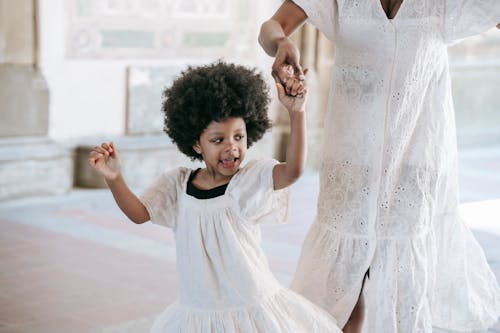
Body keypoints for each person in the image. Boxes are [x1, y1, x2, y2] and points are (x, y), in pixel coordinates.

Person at [259, 1, 500, 332]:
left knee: (405, 292)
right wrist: (282, 42)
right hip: (349, 166)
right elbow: (271, 27)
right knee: (343, 291)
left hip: (414, 167)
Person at [88, 61, 341, 332]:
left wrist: (297, 112)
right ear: (196, 143)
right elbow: (138, 214)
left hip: (251, 308)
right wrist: (115, 178)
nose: (231, 147)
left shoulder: (249, 181)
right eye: (218, 140)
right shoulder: (178, 184)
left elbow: (292, 171)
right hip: (199, 309)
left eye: (238, 137)